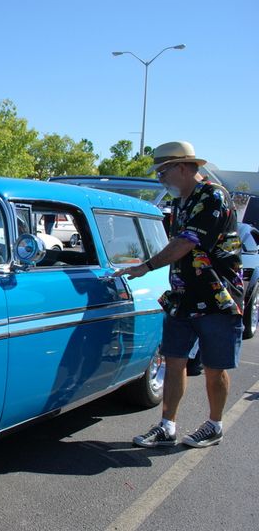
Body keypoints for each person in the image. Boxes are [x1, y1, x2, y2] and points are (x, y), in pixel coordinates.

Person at [114, 141, 243, 449]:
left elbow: (186, 242)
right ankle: (167, 426)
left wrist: (146, 266)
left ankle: (214, 425)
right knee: (173, 361)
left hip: (217, 297)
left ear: (182, 167)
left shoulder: (212, 196)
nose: (161, 179)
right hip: (183, 296)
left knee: (214, 367)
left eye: (163, 172)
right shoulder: (182, 201)